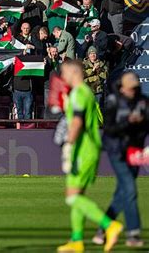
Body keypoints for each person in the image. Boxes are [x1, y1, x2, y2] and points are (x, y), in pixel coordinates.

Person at [57, 60, 123, 253]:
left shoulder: (78, 93)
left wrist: (68, 145)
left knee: (71, 198)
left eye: (64, 72)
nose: (63, 77)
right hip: (90, 148)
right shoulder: (86, 93)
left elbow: (77, 122)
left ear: (74, 72)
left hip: (82, 149)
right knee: (78, 196)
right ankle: (76, 241)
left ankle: (109, 225)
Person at [92, 72, 148, 248]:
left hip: (134, 151)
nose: (132, 91)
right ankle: (133, 234)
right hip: (116, 150)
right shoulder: (113, 102)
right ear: (122, 87)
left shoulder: (143, 101)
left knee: (122, 193)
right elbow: (109, 129)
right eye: (129, 88)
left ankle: (103, 228)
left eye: (135, 88)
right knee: (130, 190)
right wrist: (129, 122)